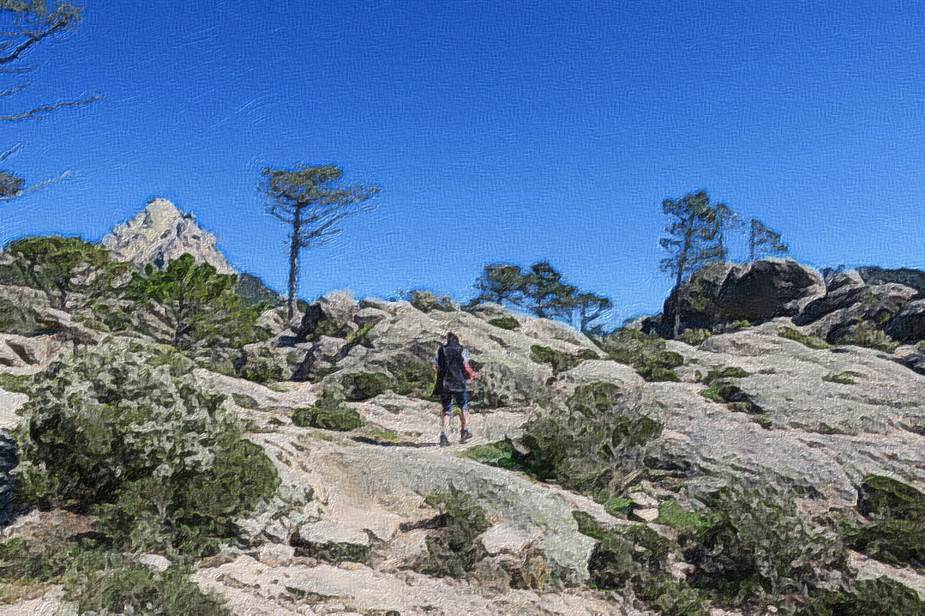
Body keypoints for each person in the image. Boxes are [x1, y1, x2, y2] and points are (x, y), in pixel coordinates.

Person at [432, 332, 480, 446]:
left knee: (447, 410)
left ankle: (444, 436)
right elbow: (466, 366)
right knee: (463, 407)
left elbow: (435, 367)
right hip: (459, 383)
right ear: (457, 339)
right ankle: (465, 431)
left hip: (445, 384)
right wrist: (473, 374)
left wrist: (441, 377)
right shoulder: (462, 350)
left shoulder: (440, 350)